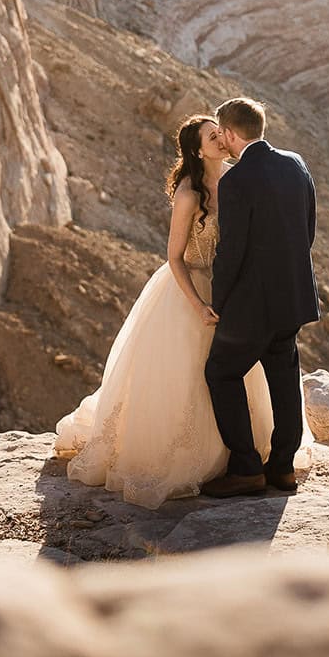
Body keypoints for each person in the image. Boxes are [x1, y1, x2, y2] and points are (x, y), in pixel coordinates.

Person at [54, 114, 273, 508]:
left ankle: (243, 453)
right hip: (191, 292)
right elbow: (174, 258)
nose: (222, 139)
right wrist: (199, 305)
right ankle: (195, 458)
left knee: (235, 369)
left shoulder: (237, 177)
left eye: (221, 132)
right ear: (197, 148)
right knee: (188, 374)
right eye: (213, 136)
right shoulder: (190, 193)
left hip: (232, 290)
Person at [201, 96, 320, 499]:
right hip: (294, 297)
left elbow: (230, 250)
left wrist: (219, 299)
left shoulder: (237, 180)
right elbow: (308, 228)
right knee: (283, 376)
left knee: (221, 372)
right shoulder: (295, 163)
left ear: (231, 134)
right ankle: (282, 469)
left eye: (222, 134)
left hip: (252, 304)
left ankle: (247, 469)